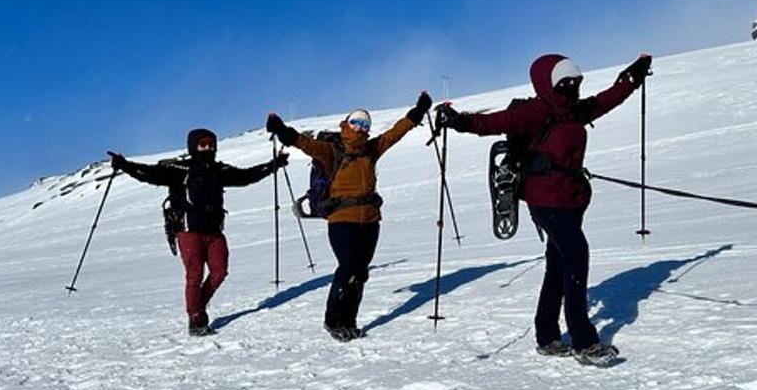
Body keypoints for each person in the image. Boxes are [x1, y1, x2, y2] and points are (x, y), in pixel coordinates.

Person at [435, 53, 652, 365]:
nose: (571, 87)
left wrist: (632, 78)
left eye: (575, 82)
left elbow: (608, 98)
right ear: (548, 84)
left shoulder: (574, 110)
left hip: (572, 199)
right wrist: (459, 120)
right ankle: (584, 340)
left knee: (559, 266)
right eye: (564, 82)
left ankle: (547, 336)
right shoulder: (535, 111)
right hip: (546, 201)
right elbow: (494, 123)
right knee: (576, 255)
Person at [267, 91, 432, 341]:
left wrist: (418, 111)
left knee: (361, 272)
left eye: (365, 124)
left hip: (370, 221)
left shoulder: (371, 149)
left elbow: (396, 133)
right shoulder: (332, 150)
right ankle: (333, 320)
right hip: (341, 220)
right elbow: (303, 143)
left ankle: (349, 320)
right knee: (348, 268)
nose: (361, 127)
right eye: (357, 122)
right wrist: (280, 128)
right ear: (347, 123)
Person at [107, 128, 285, 336]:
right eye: (203, 144)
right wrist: (125, 165)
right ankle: (196, 320)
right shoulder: (180, 169)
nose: (208, 148)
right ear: (193, 147)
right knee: (195, 275)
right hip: (188, 230)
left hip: (214, 230)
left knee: (219, 272)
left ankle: (197, 307)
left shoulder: (219, 170)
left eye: (211, 144)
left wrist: (273, 165)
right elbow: (150, 174)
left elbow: (246, 176)